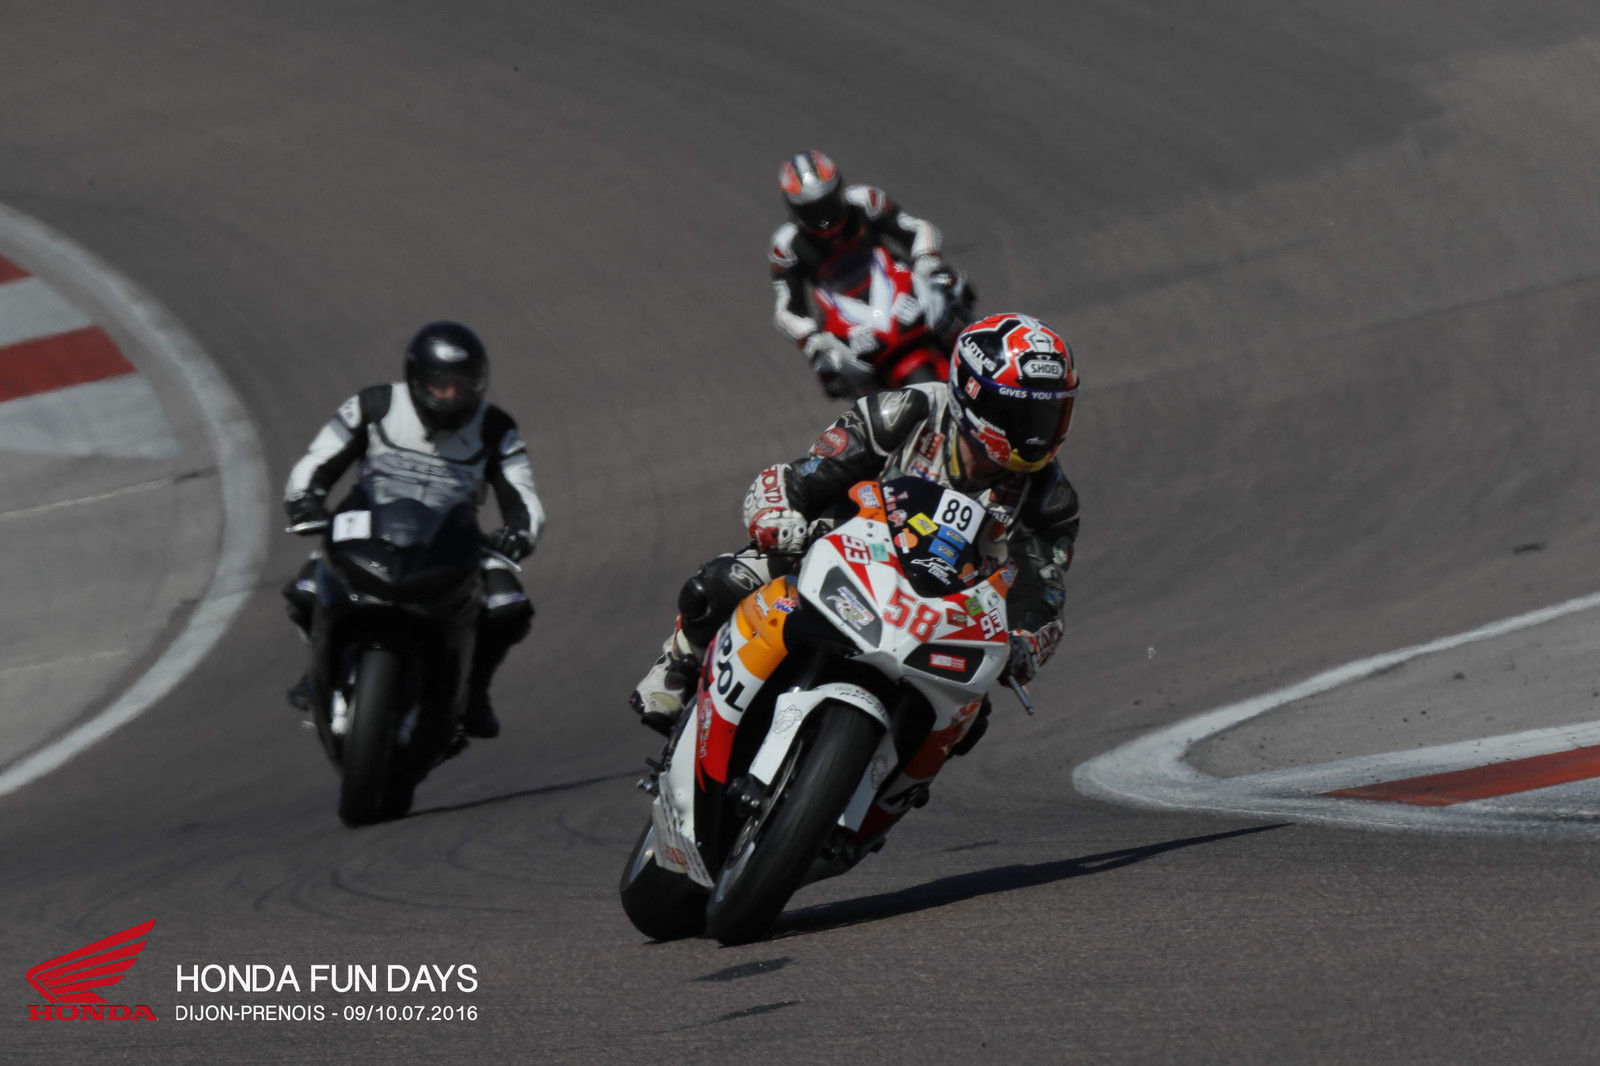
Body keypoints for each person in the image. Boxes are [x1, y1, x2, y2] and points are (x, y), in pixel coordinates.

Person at [631, 312, 1080, 743]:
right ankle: (678, 669)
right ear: (974, 394)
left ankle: (890, 788)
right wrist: (781, 515)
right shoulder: (908, 410)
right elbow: (809, 474)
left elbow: (1042, 590)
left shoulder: (1050, 497)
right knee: (725, 582)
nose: (1037, 434)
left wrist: (1024, 641)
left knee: (969, 719)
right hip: (842, 558)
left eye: (1049, 416)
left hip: (941, 616)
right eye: (1022, 415)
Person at [281, 321, 544, 739]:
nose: (451, 396)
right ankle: (317, 668)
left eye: (462, 386)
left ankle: (474, 689)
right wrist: (304, 499)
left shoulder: (496, 428)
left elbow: (523, 494)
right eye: (441, 386)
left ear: (479, 383)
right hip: (367, 526)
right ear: (417, 379)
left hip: (452, 538)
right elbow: (319, 459)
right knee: (304, 592)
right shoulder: (374, 404)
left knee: (508, 606)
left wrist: (519, 533)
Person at [770, 150, 969, 398]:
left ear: (838, 191)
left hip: (894, 280)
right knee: (833, 375)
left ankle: (985, 359)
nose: (823, 219)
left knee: (953, 289)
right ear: (794, 209)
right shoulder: (786, 246)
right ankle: (874, 413)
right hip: (842, 314)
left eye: (827, 205)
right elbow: (787, 309)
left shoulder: (865, 201)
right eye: (812, 211)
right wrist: (812, 342)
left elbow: (915, 228)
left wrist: (927, 261)